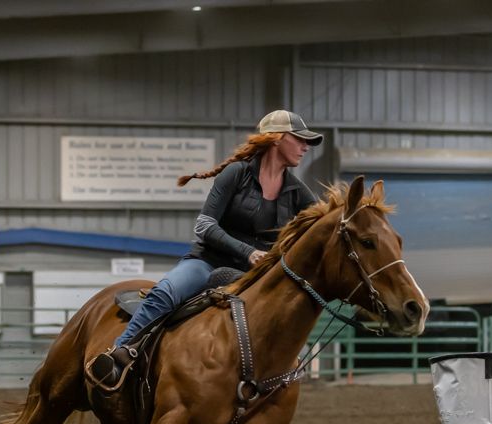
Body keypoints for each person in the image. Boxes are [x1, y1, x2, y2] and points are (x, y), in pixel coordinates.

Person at [87, 110, 323, 390]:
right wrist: (248, 252)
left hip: (256, 276)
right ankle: (119, 355)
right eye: (299, 139)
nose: (305, 147)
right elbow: (204, 225)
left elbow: (323, 226)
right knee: (166, 292)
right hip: (208, 262)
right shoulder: (237, 174)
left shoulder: (298, 192)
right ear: (276, 140)